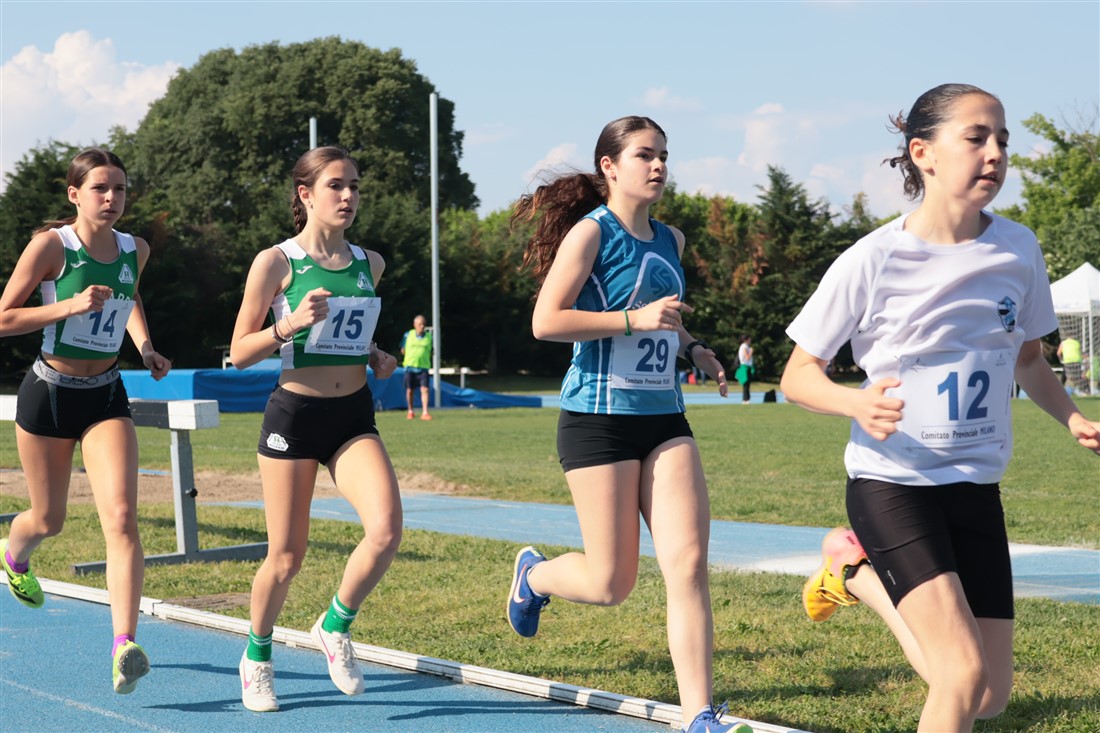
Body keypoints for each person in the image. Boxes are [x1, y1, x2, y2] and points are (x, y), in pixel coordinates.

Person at [779, 84, 1100, 732]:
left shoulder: (1019, 249)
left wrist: (1072, 417)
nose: (995, 153)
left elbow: (1029, 361)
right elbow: (797, 375)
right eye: (976, 138)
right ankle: (859, 564)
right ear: (922, 153)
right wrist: (854, 401)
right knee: (959, 674)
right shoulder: (873, 259)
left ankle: (855, 572)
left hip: (975, 486)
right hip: (893, 484)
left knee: (989, 695)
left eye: (1002, 139)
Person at [506, 116, 749, 733]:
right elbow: (546, 322)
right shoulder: (592, 234)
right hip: (597, 421)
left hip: (665, 418)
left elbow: (665, 316)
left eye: (664, 154)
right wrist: (631, 321)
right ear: (610, 167)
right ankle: (535, 576)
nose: (659, 165)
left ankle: (699, 715)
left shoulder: (673, 239)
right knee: (611, 582)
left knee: (687, 565)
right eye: (645, 155)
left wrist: (694, 348)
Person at [229, 146, 402, 713]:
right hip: (295, 418)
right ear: (305, 195)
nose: (348, 196)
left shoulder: (370, 263)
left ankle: (334, 625)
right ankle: (257, 657)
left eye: (355, 186)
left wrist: (377, 355)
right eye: (336, 186)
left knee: (386, 531)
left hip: (353, 416)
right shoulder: (275, 263)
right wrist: (290, 324)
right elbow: (240, 351)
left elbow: (352, 334)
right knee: (286, 556)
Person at [0, 148, 171, 694]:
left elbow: (130, 295)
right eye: (100, 188)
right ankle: (14, 555)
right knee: (48, 520)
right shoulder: (52, 246)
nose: (112, 198)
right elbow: (4, 317)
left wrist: (145, 347)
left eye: (119, 189)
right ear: (75, 194)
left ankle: (125, 645)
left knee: (121, 518)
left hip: (105, 396)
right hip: (49, 396)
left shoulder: (135, 248)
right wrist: (68, 307)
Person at [400, 314, 433, 420]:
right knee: (410, 390)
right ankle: (410, 411)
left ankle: (425, 412)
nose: (422, 326)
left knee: (425, 389)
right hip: (410, 367)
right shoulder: (408, 335)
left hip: (423, 367)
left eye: (423, 324)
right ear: (414, 325)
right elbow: (403, 350)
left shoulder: (429, 336)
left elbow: (432, 351)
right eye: (420, 324)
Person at [735, 335, 754, 404]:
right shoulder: (744, 347)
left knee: (747, 384)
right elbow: (747, 357)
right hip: (745, 367)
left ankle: (747, 399)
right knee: (746, 384)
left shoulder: (745, 346)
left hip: (747, 366)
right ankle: (745, 399)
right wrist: (751, 351)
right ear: (747, 340)